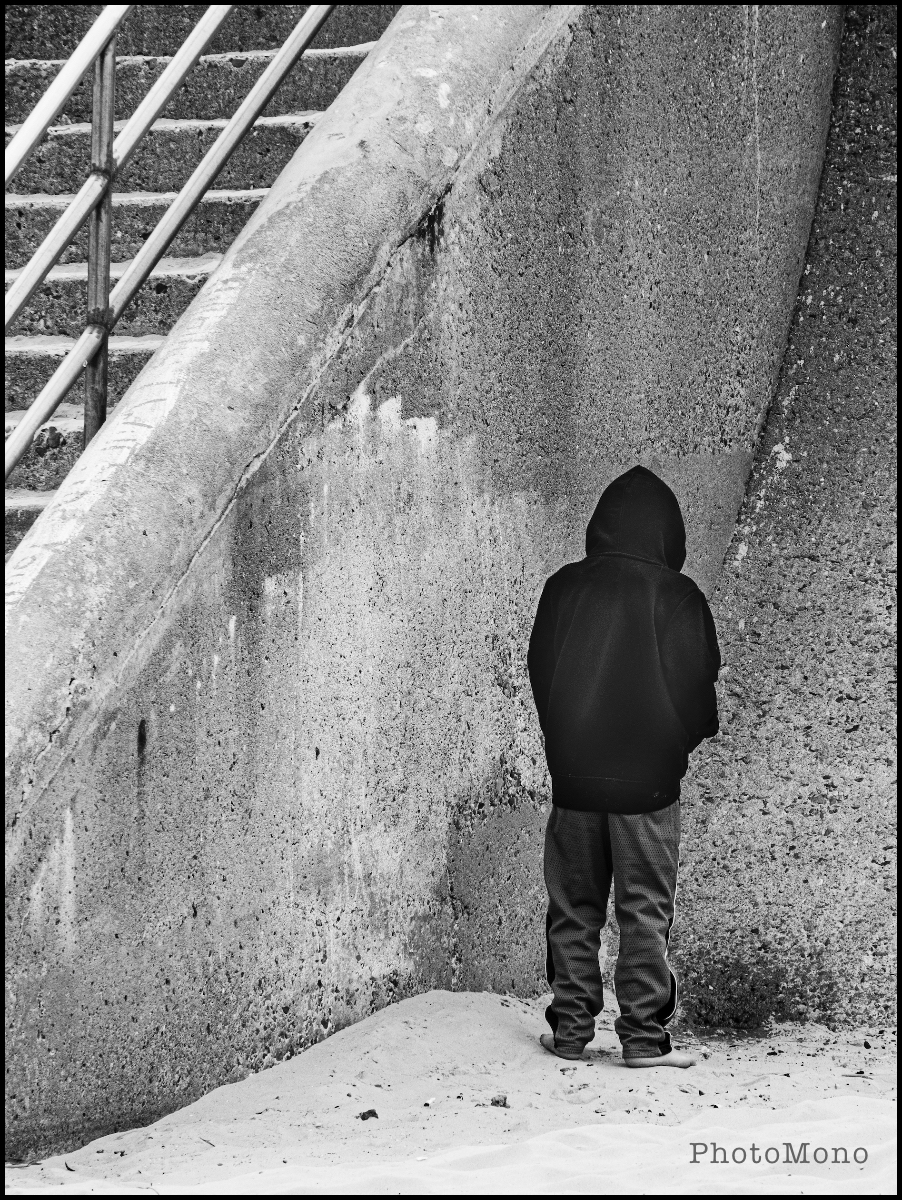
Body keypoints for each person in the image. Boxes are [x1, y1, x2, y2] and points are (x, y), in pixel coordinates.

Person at [527, 465, 720, 1067]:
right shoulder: (678, 595)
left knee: (573, 907)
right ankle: (642, 1040)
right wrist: (672, 748)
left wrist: (566, 748)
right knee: (644, 910)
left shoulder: (564, 588)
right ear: (669, 533)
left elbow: (540, 672)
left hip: (574, 783)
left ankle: (570, 1034)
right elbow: (698, 689)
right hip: (650, 786)